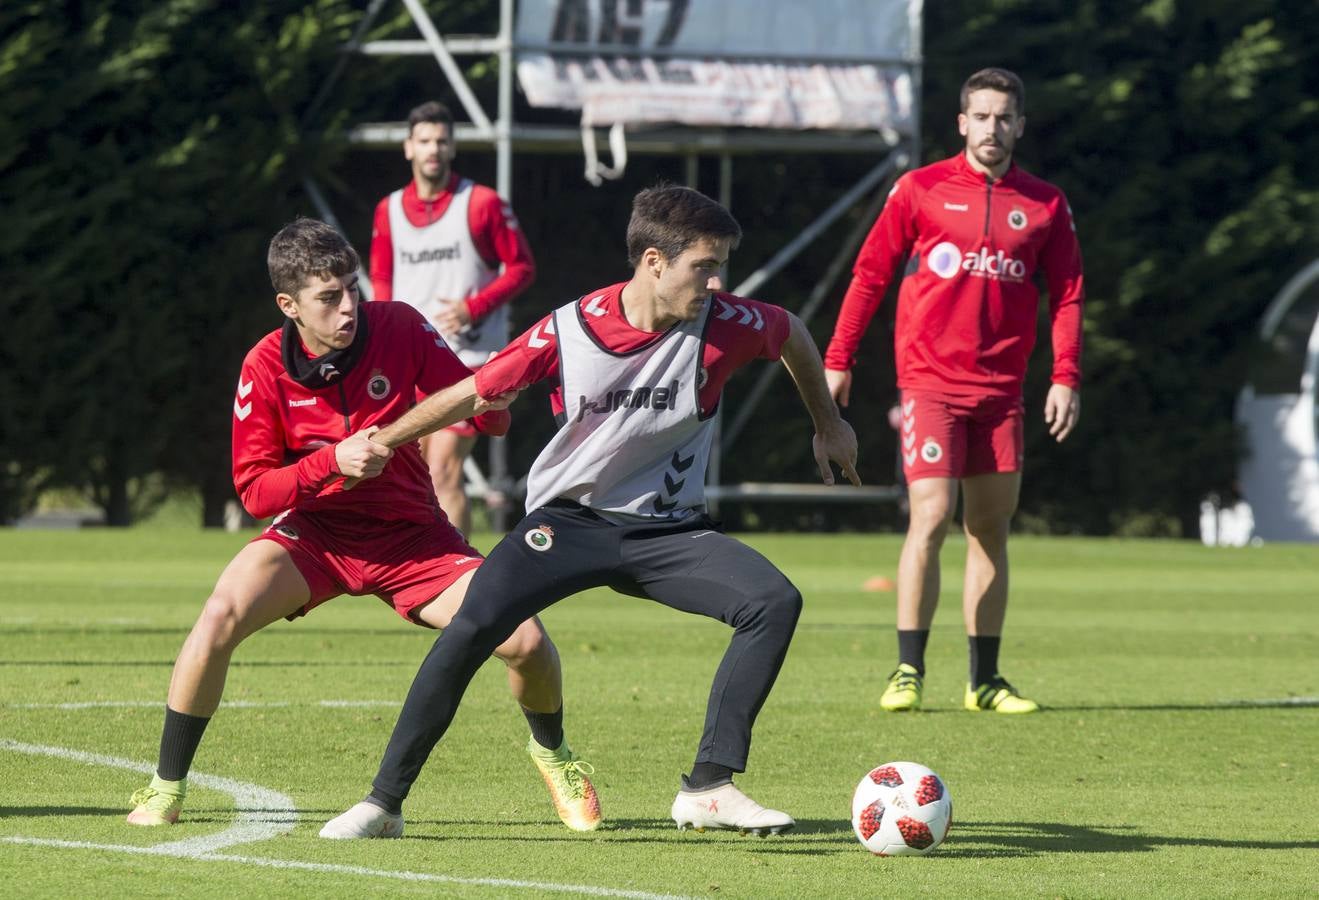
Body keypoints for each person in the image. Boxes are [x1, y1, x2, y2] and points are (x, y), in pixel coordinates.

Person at [320, 185, 860, 840]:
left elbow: (792, 333)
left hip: (668, 532)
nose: (717, 280)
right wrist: (382, 441)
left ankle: (709, 787)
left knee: (772, 601)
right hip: (566, 525)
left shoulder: (726, 322)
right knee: (472, 627)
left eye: (721, 265)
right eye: (705, 265)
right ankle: (382, 803)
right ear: (654, 262)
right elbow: (471, 391)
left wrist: (827, 424)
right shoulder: (568, 330)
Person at [127, 218, 599, 834]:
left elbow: (470, 400)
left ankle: (554, 754)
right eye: (329, 298)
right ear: (289, 305)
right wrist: (330, 462)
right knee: (218, 617)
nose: (349, 307)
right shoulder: (264, 365)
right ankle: (167, 786)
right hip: (316, 538)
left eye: (352, 288)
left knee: (527, 643)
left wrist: (493, 411)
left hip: (413, 539)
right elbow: (253, 491)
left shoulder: (399, 324)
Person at [823, 67, 1084, 714]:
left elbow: (1069, 294)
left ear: (1018, 125)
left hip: (1001, 392)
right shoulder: (919, 190)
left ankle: (984, 681)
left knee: (988, 527)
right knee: (931, 514)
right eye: (981, 116)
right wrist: (837, 357)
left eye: (1004, 117)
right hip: (929, 384)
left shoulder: (1045, 203)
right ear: (961, 122)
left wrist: (1064, 376)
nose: (991, 128)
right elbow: (868, 275)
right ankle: (907, 669)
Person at [369, 100, 536, 536]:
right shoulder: (387, 210)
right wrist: (381, 343)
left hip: (468, 359)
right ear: (408, 147)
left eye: (442, 141)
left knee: (443, 468)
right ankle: (429, 570)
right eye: (424, 141)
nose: (433, 149)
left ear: (453, 147)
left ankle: (459, 578)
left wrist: (472, 308)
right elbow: (382, 279)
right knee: (418, 474)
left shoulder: (481, 203)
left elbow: (521, 267)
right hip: (410, 361)